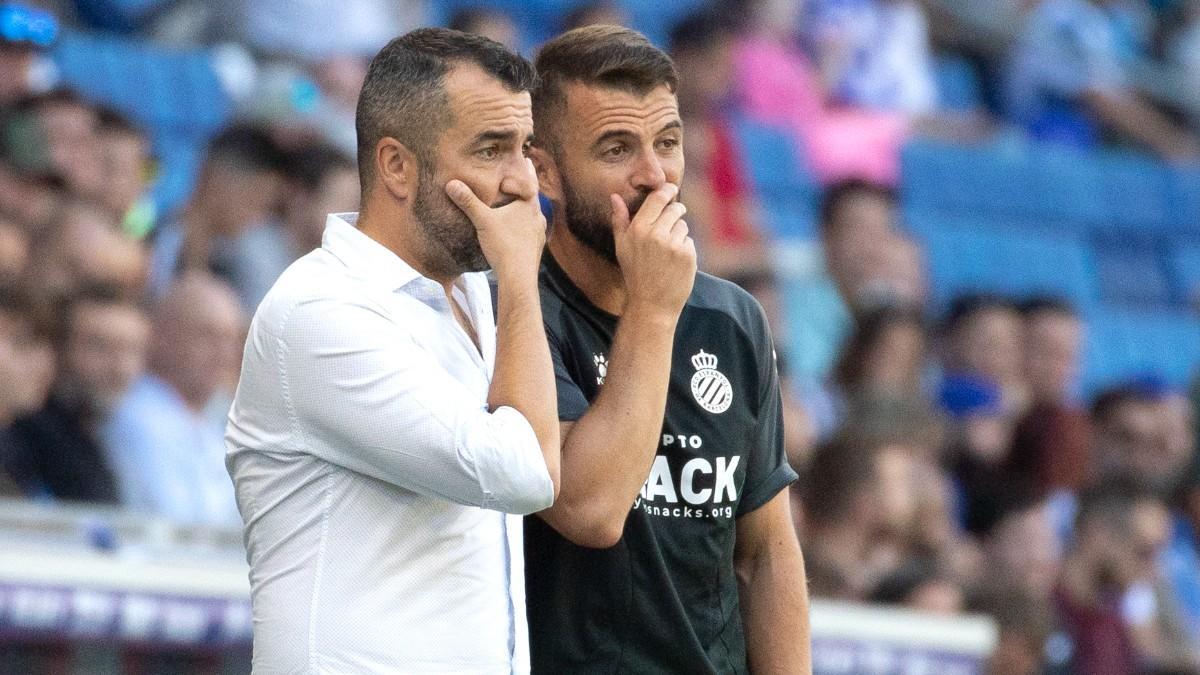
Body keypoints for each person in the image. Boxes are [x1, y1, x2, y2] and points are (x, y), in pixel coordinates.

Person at [224, 28, 560, 673]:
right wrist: (520, 280)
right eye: (491, 150)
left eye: (525, 150)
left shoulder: (478, 301)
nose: (522, 183)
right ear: (396, 165)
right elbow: (523, 473)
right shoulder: (321, 310)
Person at [524, 25, 809, 673]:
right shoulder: (514, 310)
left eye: (669, 144)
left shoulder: (733, 318)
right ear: (546, 171)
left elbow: (765, 550)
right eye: (617, 148)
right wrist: (653, 310)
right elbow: (591, 510)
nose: (655, 176)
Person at [102, 272, 244, 524]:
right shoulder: (138, 417)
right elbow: (175, 521)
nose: (223, 353)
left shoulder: (217, 420)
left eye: (230, 339)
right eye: (206, 335)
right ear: (162, 337)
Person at [7, 285, 148, 503]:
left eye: (132, 350)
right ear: (59, 351)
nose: (120, 368)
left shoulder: (108, 435)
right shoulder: (28, 437)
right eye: (99, 348)